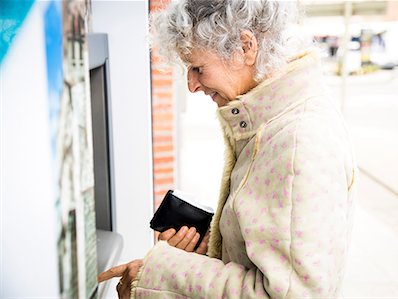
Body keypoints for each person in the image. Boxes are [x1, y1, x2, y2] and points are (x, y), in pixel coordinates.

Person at [98, 0, 357, 298]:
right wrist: (216, 242)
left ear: (246, 47)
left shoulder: (298, 140)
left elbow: (289, 294)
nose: (192, 85)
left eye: (197, 67)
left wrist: (159, 275)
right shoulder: (276, 124)